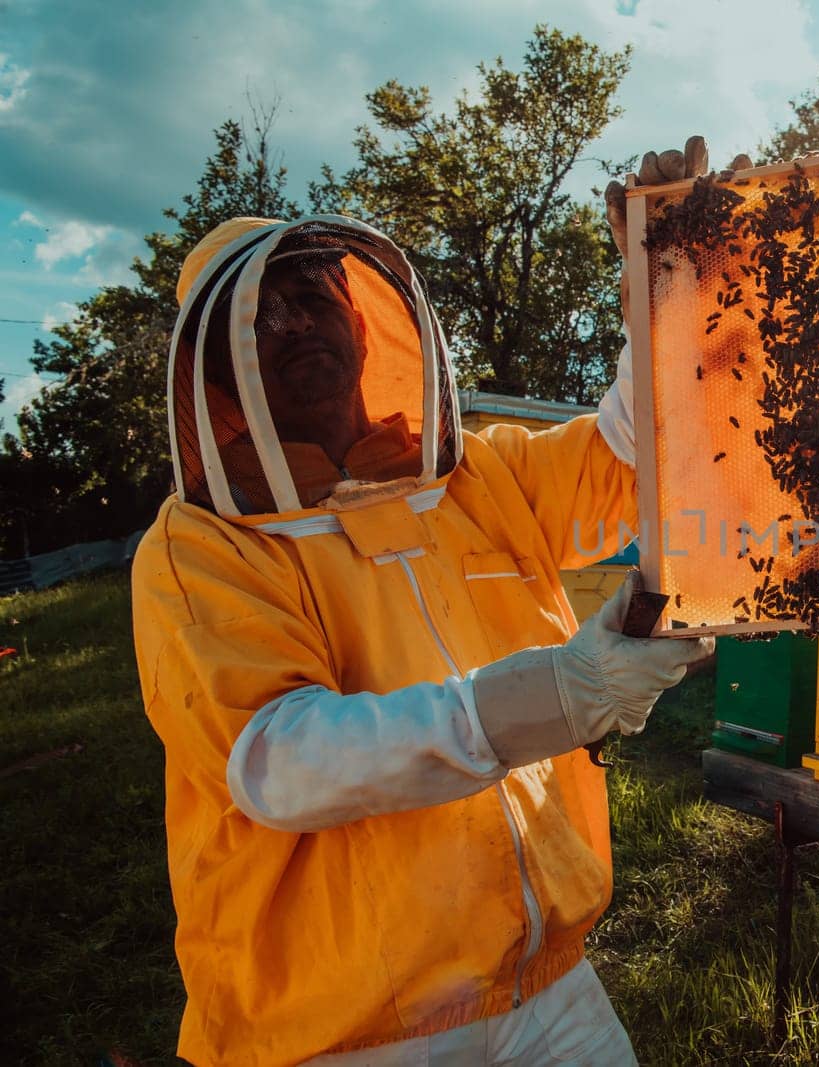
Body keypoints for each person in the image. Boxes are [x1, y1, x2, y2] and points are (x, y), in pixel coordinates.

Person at [132, 139, 731, 1065]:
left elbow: (626, 453)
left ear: (365, 321)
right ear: (215, 383)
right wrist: (560, 695)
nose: (292, 323)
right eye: (258, 320)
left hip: (548, 981)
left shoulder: (475, 476)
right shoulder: (200, 548)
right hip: (340, 1033)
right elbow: (283, 761)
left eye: (311, 293)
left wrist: (667, 290)